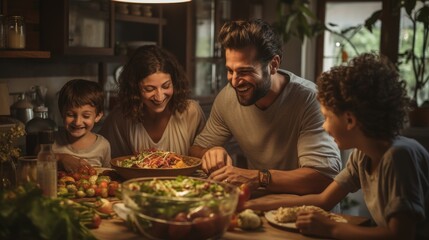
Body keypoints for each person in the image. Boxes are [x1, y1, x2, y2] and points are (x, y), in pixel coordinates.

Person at [246, 53, 429, 239]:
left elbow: (401, 235)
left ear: (349, 119)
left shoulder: (398, 157)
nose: (324, 126)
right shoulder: (362, 155)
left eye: (326, 117)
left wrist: (331, 228)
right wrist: (251, 204)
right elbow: (322, 200)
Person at [189, 19, 342, 195]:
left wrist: (256, 178)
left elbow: (322, 178)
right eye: (230, 71)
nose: (234, 81)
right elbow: (194, 150)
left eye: (245, 72)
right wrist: (210, 151)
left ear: (274, 65)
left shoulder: (310, 100)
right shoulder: (227, 97)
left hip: (311, 213)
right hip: (261, 208)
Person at [99, 45, 206, 158]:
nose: (159, 97)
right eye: (149, 89)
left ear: (174, 83)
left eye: (166, 86)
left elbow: (204, 155)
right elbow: (104, 159)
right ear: (134, 89)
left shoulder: (191, 112)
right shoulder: (120, 117)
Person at [54, 79, 111, 171]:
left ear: (98, 116)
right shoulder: (52, 141)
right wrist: (61, 158)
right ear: (62, 113)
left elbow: (108, 175)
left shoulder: (103, 145)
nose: (77, 122)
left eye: (86, 116)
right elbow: (37, 157)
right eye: (71, 115)